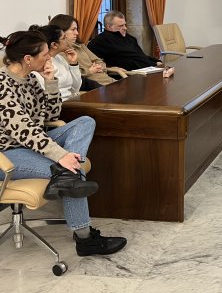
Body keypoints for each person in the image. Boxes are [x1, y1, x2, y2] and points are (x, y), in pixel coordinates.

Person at [0, 30, 127, 256]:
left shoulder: (29, 78)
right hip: (8, 153)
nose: (50, 58)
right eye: (45, 55)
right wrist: (62, 156)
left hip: (34, 142)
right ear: (28, 59)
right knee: (69, 170)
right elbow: (25, 131)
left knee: (85, 122)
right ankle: (85, 239)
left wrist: (50, 83)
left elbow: (50, 114)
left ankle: (66, 177)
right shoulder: (2, 85)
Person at [49, 14, 118, 86]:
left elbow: (99, 61)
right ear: (61, 32)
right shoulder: (59, 53)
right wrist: (89, 71)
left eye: (76, 29)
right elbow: (70, 76)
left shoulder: (80, 46)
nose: (77, 33)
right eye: (73, 29)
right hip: (95, 86)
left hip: (109, 80)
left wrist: (99, 67)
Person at [87, 11, 161, 70]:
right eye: (121, 26)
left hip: (150, 69)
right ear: (109, 26)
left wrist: (156, 62)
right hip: (131, 75)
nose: (125, 28)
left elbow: (141, 56)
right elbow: (91, 59)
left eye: (125, 24)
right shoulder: (100, 41)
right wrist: (109, 68)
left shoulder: (130, 38)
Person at [29, 24, 83, 101]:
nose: (67, 40)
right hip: (57, 105)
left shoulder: (60, 58)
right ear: (54, 45)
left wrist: (73, 64)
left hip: (71, 102)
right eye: (64, 38)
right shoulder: (41, 64)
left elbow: (75, 88)